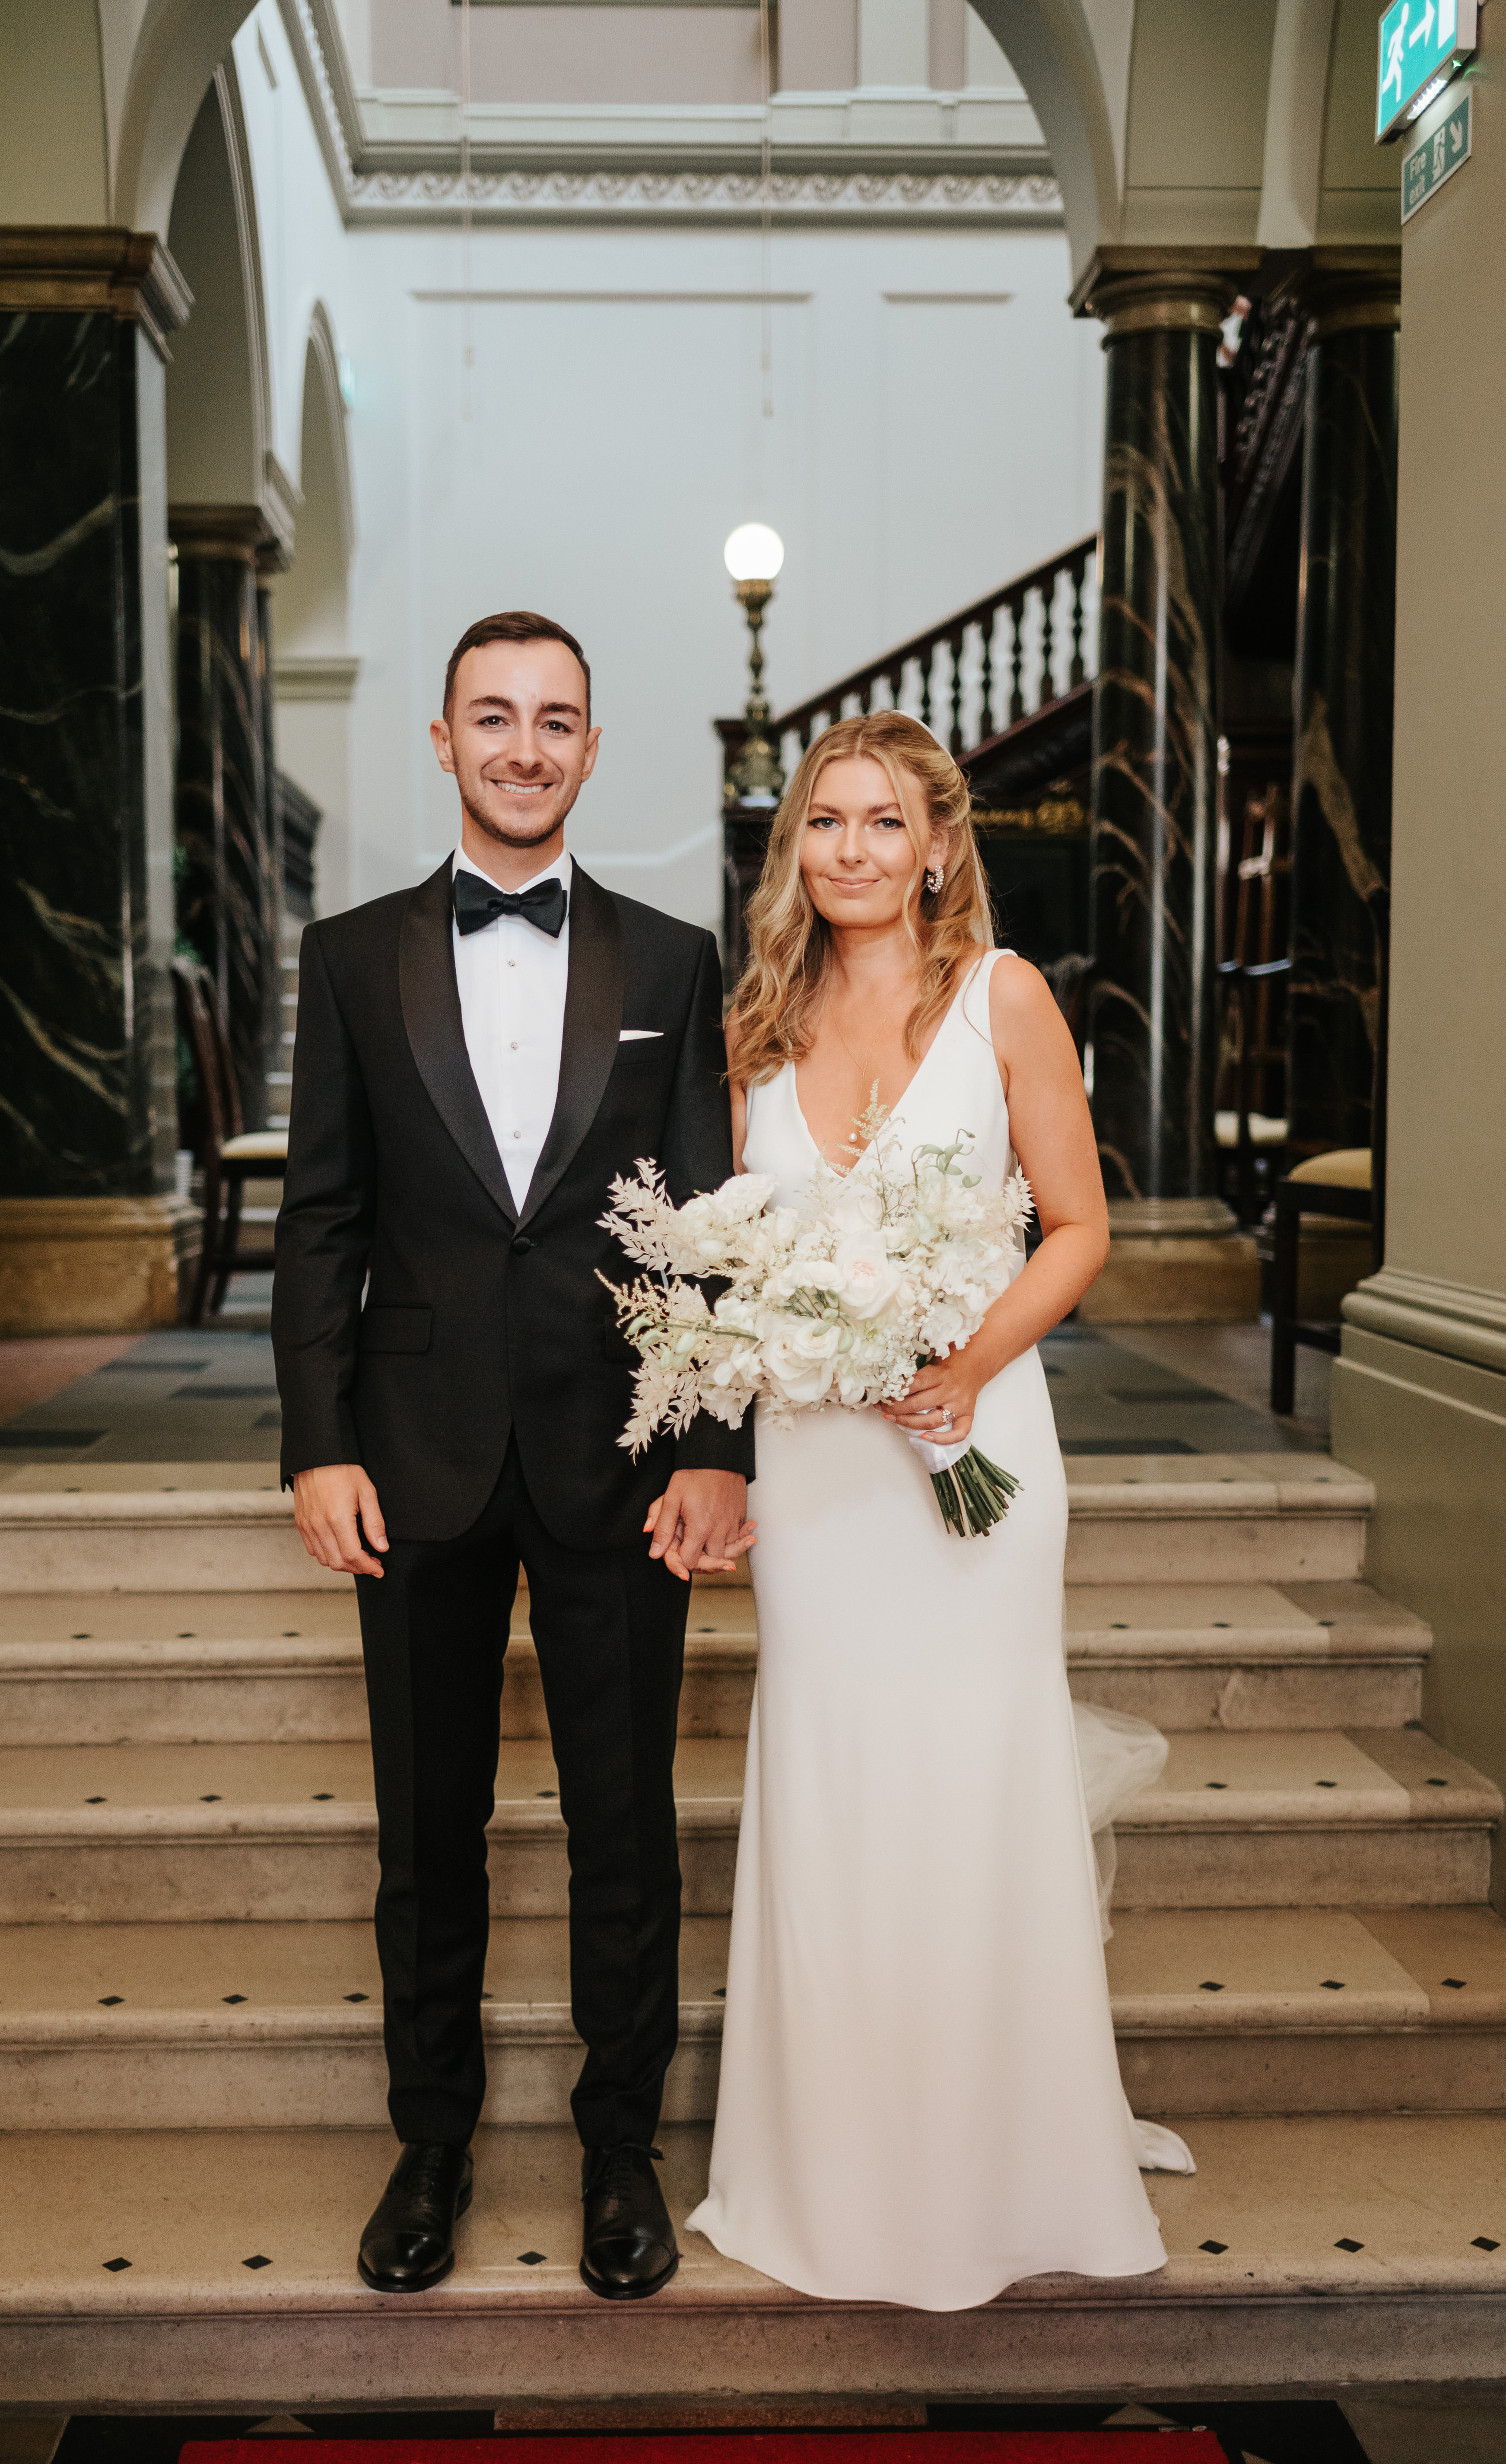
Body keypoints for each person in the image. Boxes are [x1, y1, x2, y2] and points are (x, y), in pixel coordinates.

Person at [272, 611, 755, 2302]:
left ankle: (620, 2150)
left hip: (621, 1458)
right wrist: (316, 1446)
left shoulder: (673, 960)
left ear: (592, 749)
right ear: (444, 739)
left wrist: (713, 1443)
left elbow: (706, 1225)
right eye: (496, 715)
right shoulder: (348, 956)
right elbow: (317, 1222)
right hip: (410, 1457)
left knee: (626, 1827)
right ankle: (433, 2143)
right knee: (430, 1824)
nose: (526, 745)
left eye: (557, 719)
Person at [686, 709, 1186, 2310]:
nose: (848, 850)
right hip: (818, 1465)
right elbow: (722, 1253)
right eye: (823, 823)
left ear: (935, 846)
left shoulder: (1003, 998)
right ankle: (832, 2165)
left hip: (974, 1446)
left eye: (880, 823)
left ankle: (1001, 2153)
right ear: (796, 850)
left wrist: (963, 1366)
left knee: (969, 1781)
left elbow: (1078, 1224)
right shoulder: (753, 1019)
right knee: (835, 1783)